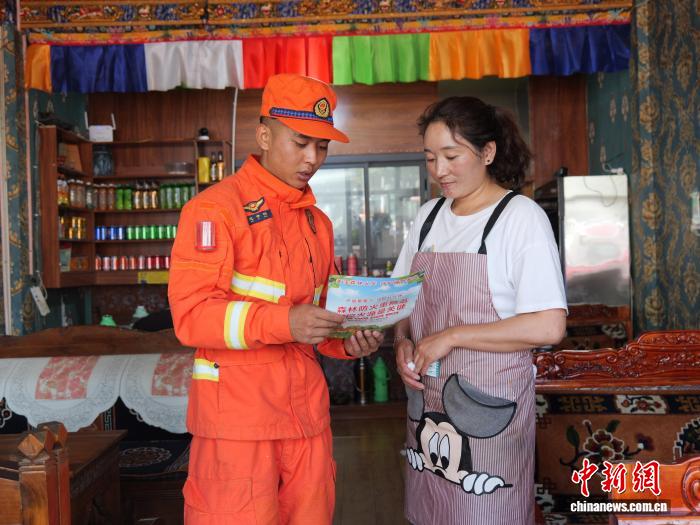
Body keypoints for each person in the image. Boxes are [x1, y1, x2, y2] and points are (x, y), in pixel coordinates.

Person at [168, 73, 383, 524]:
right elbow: (192, 315)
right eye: (301, 143)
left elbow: (321, 318)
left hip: (307, 421)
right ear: (264, 135)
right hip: (239, 423)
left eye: (322, 147)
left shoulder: (317, 222)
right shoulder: (215, 209)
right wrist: (286, 323)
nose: (312, 159)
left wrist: (349, 340)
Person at [392, 96, 567, 525]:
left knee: (486, 507)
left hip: (487, 406)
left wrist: (452, 336)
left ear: (487, 152)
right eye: (430, 158)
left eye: (452, 156)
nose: (439, 170)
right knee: (431, 511)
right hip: (427, 404)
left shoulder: (519, 218)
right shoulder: (428, 218)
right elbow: (402, 299)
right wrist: (401, 342)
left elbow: (549, 325)